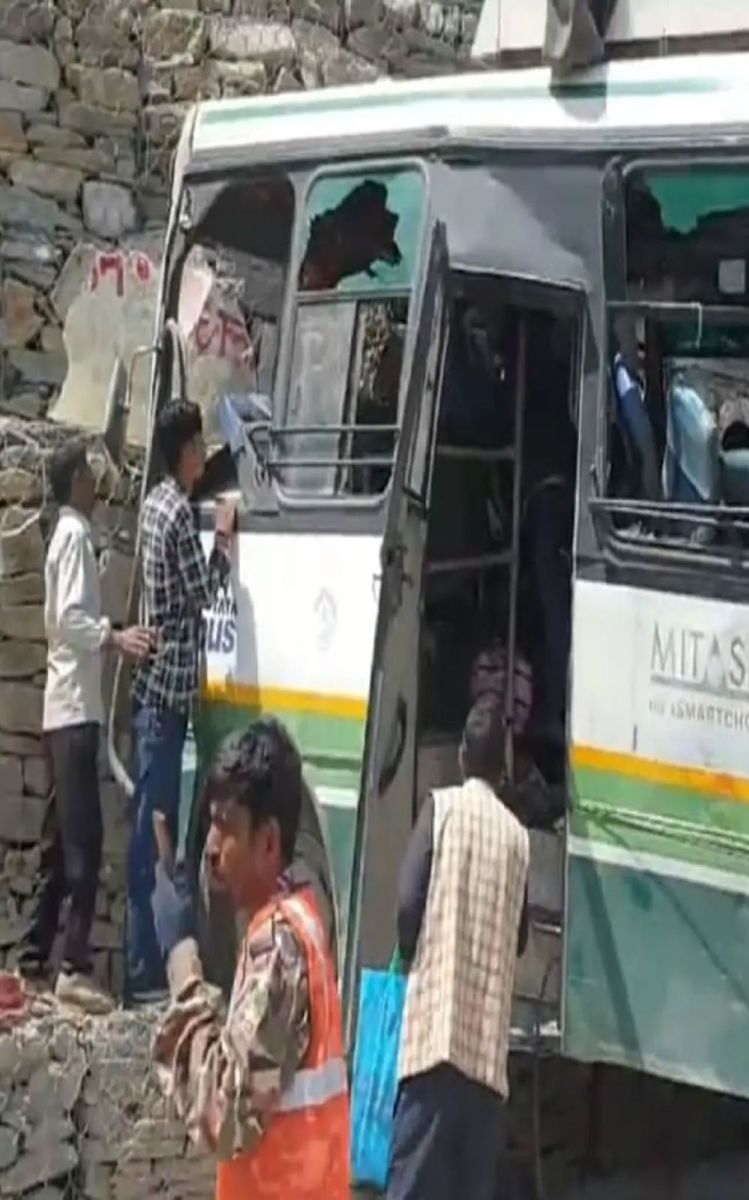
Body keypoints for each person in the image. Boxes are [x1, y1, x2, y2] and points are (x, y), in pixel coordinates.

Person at [150, 718, 350, 1198]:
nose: (212, 849)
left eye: (226, 827)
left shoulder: (278, 946)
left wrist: (182, 963)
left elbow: (223, 1115)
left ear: (267, 842)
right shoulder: (296, 919)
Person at [17, 441, 155, 1013]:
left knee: (58, 842)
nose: (98, 486)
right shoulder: (73, 536)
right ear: (74, 480)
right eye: (90, 476)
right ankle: (73, 966)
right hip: (74, 710)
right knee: (84, 844)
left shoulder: (67, 535)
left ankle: (29, 961)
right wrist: (113, 636)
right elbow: (69, 620)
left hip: (65, 710)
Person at [388, 696, 531, 1200]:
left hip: (434, 1048)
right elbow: (519, 939)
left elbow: (408, 905)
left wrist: (412, 956)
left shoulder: (440, 810)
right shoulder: (519, 841)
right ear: (503, 768)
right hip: (487, 1074)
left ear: (463, 757)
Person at [126, 399, 236, 1004]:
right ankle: (144, 973)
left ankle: (143, 964)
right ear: (184, 452)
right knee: (155, 834)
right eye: (198, 446)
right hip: (168, 693)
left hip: (156, 689)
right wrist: (221, 539)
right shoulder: (177, 518)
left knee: (152, 827)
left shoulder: (153, 506)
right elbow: (203, 591)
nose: (202, 456)